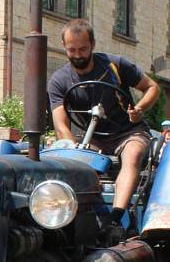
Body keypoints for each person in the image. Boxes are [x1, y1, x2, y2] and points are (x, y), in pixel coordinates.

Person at [48, 18, 160, 229]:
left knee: (133, 154)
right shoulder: (59, 80)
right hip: (95, 138)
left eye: (83, 49)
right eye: (72, 50)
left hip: (130, 132)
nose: (78, 55)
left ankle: (116, 218)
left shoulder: (115, 65)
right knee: (69, 163)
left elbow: (152, 87)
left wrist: (140, 110)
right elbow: (61, 125)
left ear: (93, 44)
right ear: (64, 46)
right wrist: (72, 149)